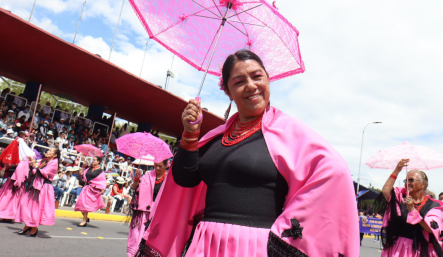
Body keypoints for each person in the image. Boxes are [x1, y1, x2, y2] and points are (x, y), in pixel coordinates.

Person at [137, 50, 359, 257]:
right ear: (227, 91)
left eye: (257, 77)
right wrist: (190, 133)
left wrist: (281, 235)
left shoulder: (291, 132)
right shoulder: (215, 136)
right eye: (239, 82)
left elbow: (335, 172)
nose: (251, 86)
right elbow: (186, 179)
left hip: (254, 246)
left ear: (268, 79)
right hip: (205, 242)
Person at [376, 159, 443, 256]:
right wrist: (397, 170)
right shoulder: (400, 197)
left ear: (423, 184)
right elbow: (386, 191)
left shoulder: (434, 206)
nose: (407, 183)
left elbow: (430, 228)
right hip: (398, 247)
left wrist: (412, 210)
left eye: (411, 180)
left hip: (419, 249)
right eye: (406, 180)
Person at [15, 147, 59, 237]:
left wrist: (35, 165)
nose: (48, 151)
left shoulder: (54, 163)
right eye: (48, 150)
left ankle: (33, 227)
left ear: (55, 155)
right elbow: (35, 172)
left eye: (50, 151)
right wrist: (32, 164)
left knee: (36, 207)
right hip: (35, 185)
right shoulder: (43, 161)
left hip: (44, 187)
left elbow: (43, 172)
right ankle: (28, 225)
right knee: (25, 204)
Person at [127, 159, 168, 257]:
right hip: (143, 212)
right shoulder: (148, 175)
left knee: (151, 239)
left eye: (160, 166)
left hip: (158, 213)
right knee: (137, 236)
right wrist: (137, 179)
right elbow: (134, 187)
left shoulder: (169, 178)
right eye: (155, 165)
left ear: (166, 165)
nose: (157, 168)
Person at [0, 139, 35, 222]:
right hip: (12, 182)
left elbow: (20, 174)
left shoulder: (23, 161)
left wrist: (17, 183)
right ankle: (6, 216)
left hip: (15, 183)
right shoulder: (19, 160)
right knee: (7, 199)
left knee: (9, 199)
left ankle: (8, 216)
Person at [74, 156, 107, 227]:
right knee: (81, 204)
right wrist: (84, 166)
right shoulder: (88, 168)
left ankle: (84, 221)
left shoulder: (100, 171)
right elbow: (80, 174)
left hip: (93, 189)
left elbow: (102, 181)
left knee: (86, 205)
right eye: (93, 160)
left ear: (98, 162)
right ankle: (86, 218)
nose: (93, 161)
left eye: (95, 160)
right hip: (86, 188)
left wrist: (102, 188)